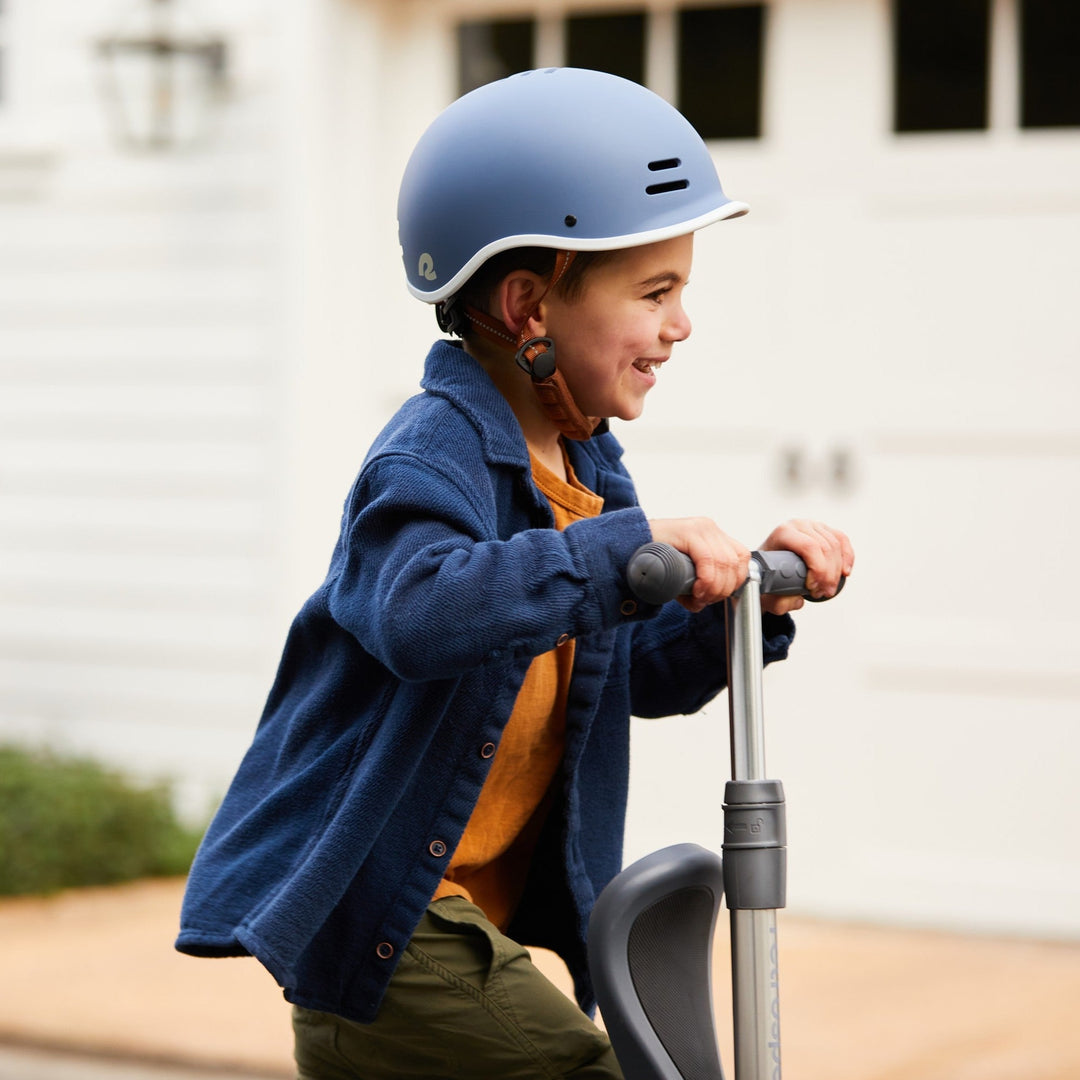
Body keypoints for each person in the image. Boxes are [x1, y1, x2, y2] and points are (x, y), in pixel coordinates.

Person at [176, 68, 854, 1079]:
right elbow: (422, 612)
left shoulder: (587, 465)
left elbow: (636, 669)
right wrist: (618, 555)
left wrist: (756, 599)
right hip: (385, 926)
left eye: (683, 292)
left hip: (457, 928)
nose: (682, 325)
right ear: (528, 305)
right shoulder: (431, 453)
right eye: (655, 293)